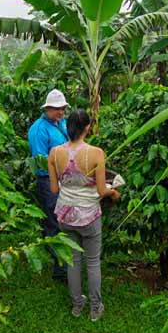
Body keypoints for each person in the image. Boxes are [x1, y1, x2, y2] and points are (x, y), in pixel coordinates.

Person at [48, 109, 120, 321]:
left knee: (73, 261)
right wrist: (113, 192)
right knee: (92, 262)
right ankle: (95, 308)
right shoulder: (96, 153)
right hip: (89, 215)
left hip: (65, 215)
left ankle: (77, 305)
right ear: (87, 127)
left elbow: (54, 189)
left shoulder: (54, 153)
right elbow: (100, 190)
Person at [27, 89, 70, 281]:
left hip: (65, 177)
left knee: (65, 219)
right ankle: (60, 268)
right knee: (54, 220)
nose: (60, 112)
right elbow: (41, 160)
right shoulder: (39, 129)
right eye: (56, 109)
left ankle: (65, 258)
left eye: (62, 109)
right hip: (48, 180)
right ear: (47, 109)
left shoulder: (62, 124)